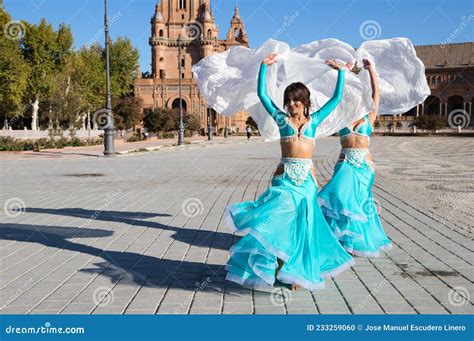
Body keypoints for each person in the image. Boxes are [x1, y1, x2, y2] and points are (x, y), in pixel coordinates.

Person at [224, 53, 355, 290]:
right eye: (289, 101)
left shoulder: (314, 121)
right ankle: (278, 263)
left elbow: (336, 99)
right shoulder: (282, 120)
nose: (293, 105)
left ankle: (295, 273)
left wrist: (342, 73)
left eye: (297, 101)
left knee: (302, 227)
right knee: (277, 221)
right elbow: (263, 96)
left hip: (306, 182)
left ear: (305, 102)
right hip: (285, 180)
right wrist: (263, 67)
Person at [318, 59, 393, 257]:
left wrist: (371, 70)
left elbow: (377, 94)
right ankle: (341, 237)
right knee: (341, 200)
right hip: (344, 165)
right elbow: (336, 97)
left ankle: (353, 242)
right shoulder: (341, 118)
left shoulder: (369, 117)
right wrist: (340, 74)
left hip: (364, 167)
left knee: (359, 202)